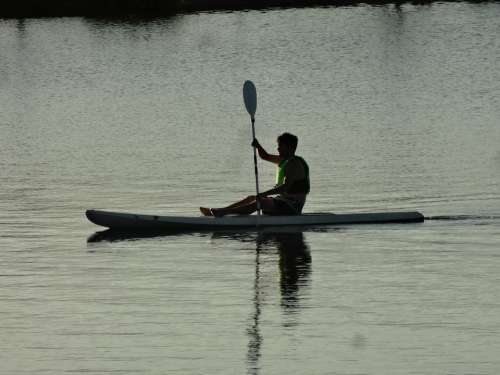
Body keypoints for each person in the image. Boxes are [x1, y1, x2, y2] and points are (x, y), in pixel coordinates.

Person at [200, 132, 310, 217]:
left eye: (281, 146)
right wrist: (258, 146)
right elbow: (265, 156)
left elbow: (286, 187)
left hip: (292, 206)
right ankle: (221, 211)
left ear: (290, 147)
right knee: (251, 198)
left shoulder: (295, 163)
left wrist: (263, 194)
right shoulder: (285, 160)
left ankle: (223, 213)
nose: (278, 148)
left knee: (260, 201)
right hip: (283, 202)